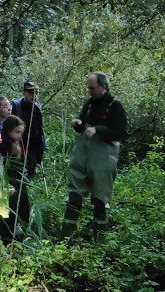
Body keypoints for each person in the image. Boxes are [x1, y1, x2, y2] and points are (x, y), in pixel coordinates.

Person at [62, 71, 129, 235]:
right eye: (88, 88)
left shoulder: (116, 106)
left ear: (103, 87)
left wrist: (98, 129)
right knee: (74, 195)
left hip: (103, 160)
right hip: (82, 156)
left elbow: (122, 133)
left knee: (100, 199)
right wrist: (78, 123)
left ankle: (99, 238)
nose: (89, 91)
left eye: (92, 88)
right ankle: (65, 237)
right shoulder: (90, 103)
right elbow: (82, 123)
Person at [0, 115, 31, 240]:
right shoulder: (2, 146)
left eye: (21, 132)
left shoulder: (15, 144)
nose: (19, 135)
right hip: (9, 182)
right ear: (8, 130)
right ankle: (8, 235)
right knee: (10, 209)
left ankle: (18, 230)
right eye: (16, 132)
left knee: (21, 207)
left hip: (18, 181)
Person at [10, 81, 45, 178]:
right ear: (24, 93)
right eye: (31, 93)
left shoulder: (37, 107)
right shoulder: (15, 106)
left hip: (33, 148)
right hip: (19, 147)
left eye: (36, 93)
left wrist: (40, 152)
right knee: (19, 176)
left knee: (29, 175)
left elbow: (39, 129)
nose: (34, 96)